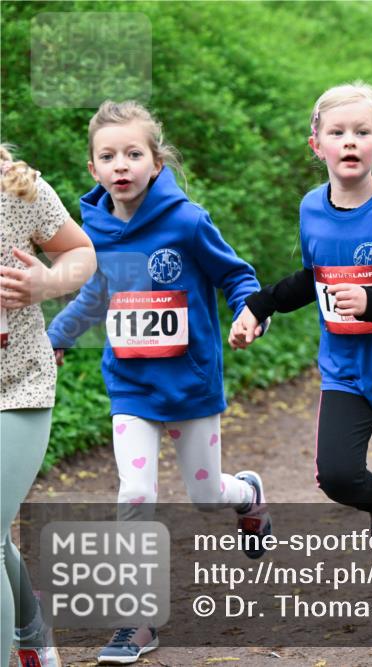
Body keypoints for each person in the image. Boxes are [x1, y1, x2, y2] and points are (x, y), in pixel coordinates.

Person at [45, 101, 272, 664]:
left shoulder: (187, 221)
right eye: (108, 156)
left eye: (132, 153)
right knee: (136, 493)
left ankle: (247, 494)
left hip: (191, 384)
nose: (120, 165)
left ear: (154, 160)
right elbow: (95, 295)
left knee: (204, 494)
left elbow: (236, 276)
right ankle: (136, 622)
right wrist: (57, 337)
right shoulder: (91, 231)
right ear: (93, 167)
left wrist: (250, 311)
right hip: (131, 387)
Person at [229, 82, 372, 638]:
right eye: (338, 133)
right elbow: (314, 277)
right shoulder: (312, 207)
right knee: (334, 475)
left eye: (362, 132)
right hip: (347, 369)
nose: (349, 142)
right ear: (317, 145)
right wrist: (260, 306)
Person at [1, 146, 97, 667]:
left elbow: (81, 253)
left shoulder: (16, 187)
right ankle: (30, 627)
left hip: (18, 384)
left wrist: (47, 282)